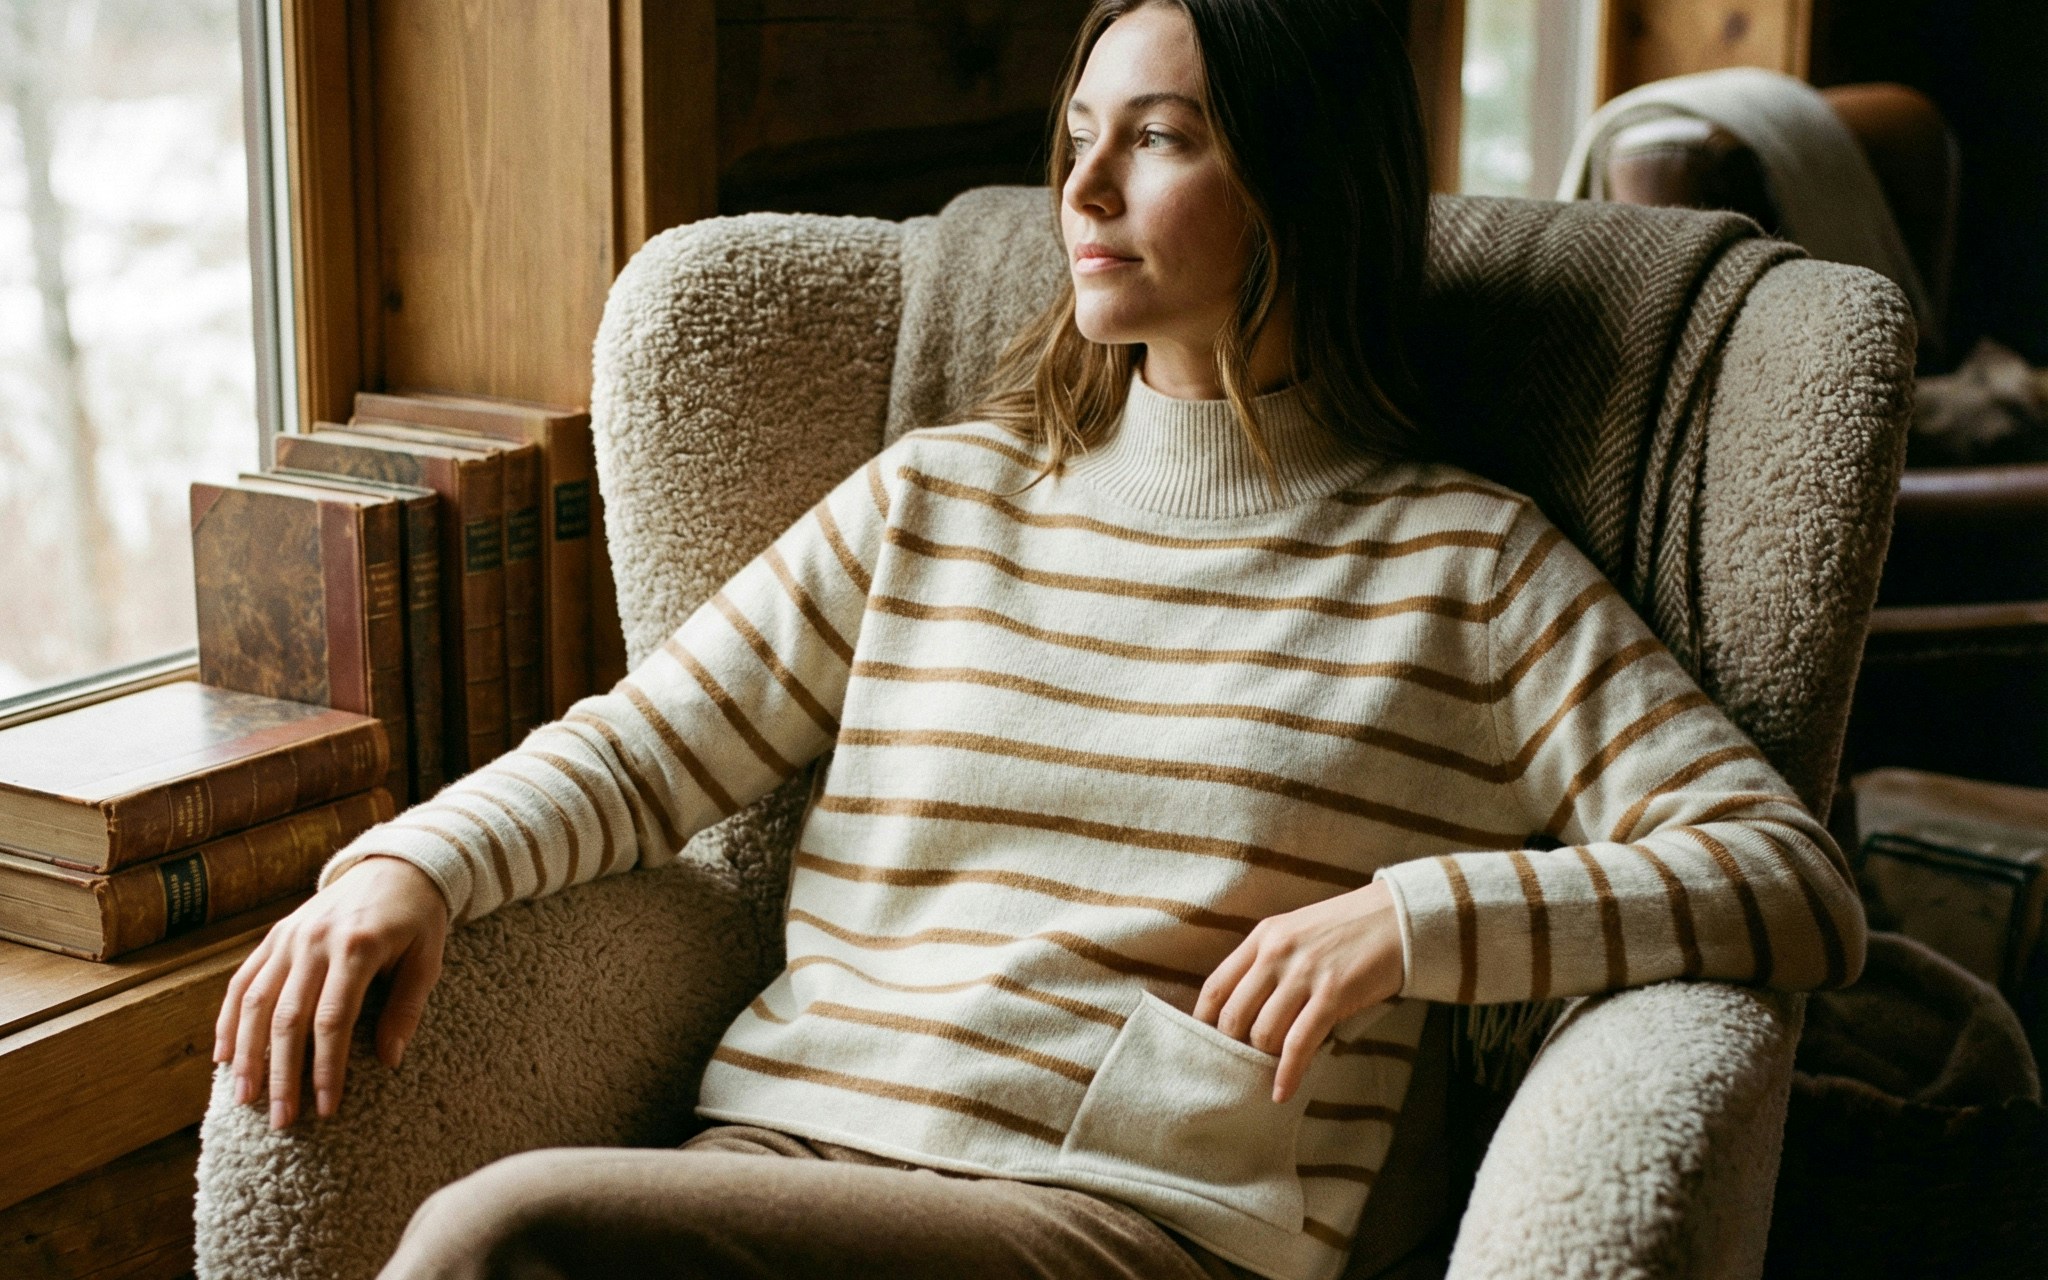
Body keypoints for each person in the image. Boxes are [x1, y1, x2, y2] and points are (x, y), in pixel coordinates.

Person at [212, 1, 1868, 1277]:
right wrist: (404, 869)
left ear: (1296, 175)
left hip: (1131, 1218)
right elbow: (648, 749)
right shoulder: (942, 497)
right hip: (786, 1167)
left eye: (1156, 139)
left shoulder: (1469, 566)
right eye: (1079, 131)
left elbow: (1790, 881)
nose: (1077, 187)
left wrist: (1411, 921)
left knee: (504, 1241)